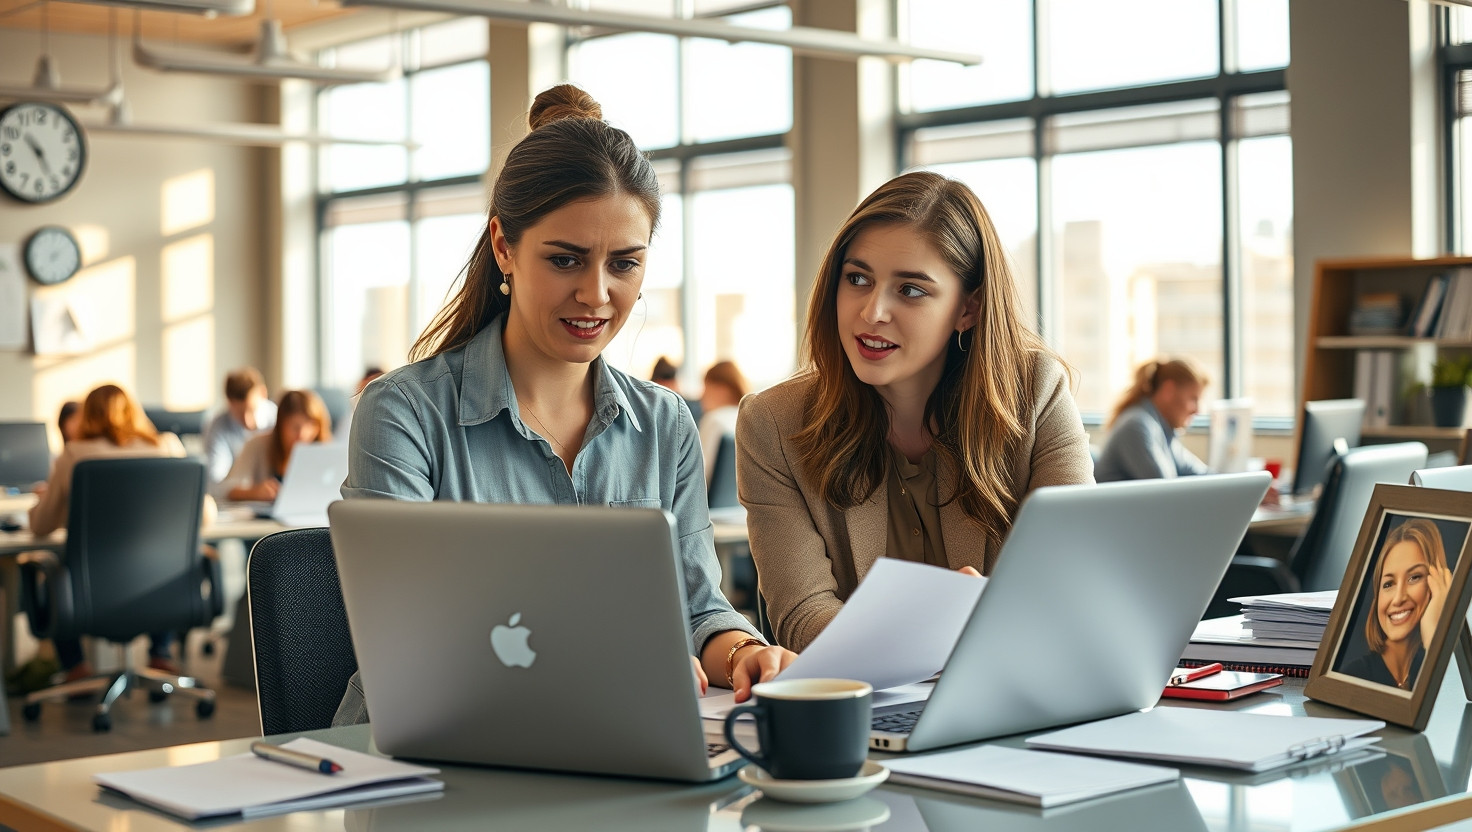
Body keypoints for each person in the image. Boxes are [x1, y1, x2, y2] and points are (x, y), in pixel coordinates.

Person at [332, 84, 793, 726]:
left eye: (624, 265)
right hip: (429, 755)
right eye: (565, 259)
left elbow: (696, 607)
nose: (596, 294)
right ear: (504, 247)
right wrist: (611, 659)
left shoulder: (664, 425)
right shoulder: (404, 413)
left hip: (610, 749)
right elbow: (406, 633)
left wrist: (742, 650)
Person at [738, 171, 1093, 652]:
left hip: (1011, 688)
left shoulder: (1035, 393)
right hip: (866, 705)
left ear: (968, 310)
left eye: (910, 289)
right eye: (858, 279)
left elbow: (1070, 583)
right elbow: (802, 618)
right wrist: (935, 619)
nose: (871, 312)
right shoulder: (774, 423)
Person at [28, 384, 214, 677]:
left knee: (53, 571)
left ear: (87, 416)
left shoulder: (74, 453)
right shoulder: (166, 446)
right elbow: (205, 516)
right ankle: (160, 653)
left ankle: (75, 666)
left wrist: (44, 500)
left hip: (92, 591)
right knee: (162, 557)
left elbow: (40, 527)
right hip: (163, 590)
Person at [1340, 518, 1453, 690]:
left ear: (1438, 582)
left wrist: (1433, 637)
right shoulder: (1352, 676)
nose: (1398, 598)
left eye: (1414, 577)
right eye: (1388, 584)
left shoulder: (1447, 674)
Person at [1095, 358, 1209, 483]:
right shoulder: (1136, 426)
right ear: (1168, 390)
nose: (1198, 410)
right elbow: (1165, 492)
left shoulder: (1161, 429)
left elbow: (1199, 473)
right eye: (1193, 399)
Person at [219, 390, 333, 502]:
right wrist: (255, 492)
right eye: (295, 427)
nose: (302, 434)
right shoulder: (257, 444)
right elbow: (227, 489)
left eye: (311, 425)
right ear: (280, 426)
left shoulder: (325, 451)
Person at [201, 368, 277, 498]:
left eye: (252, 410)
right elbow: (214, 484)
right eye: (239, 413)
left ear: (263, 394)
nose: (247, 421)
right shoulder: (217, 427)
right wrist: (253, 493)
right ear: (229, 403)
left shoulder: (278, 418)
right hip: (238, 505)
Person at [698, 361, 748, 486]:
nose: (701, 395)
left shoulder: (714, 419)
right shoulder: (746, 418)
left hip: (707, 504)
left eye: (706, 387)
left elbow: (700, 476)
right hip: (738, 505)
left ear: (721, 389)